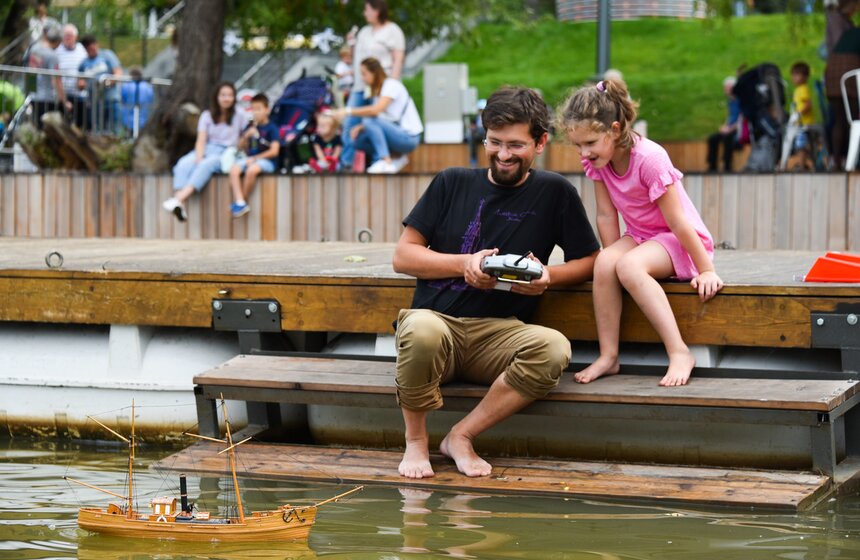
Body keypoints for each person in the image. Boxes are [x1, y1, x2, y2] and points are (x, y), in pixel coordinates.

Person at [392, 86, 599, 479]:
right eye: (495, 142)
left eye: (516, 145)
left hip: (501, 334)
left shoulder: (555, 192)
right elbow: (404, 256)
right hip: (438, 325)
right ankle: (416, 442)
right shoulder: (451, 181)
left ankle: (461, 436)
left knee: (554, 348)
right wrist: (465, 263)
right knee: (419, 328)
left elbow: (590, 261)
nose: (503, 154)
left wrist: (548, 276)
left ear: (540, 142)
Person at [560, 79, 723, 388]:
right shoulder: (600, 161)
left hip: (678, 241)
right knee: (607, 262)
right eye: (578, 145)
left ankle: (679, 351)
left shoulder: (650, 159)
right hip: (642, 236)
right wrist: (610, 262)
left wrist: (706, 269)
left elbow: (677, 221)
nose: (584, 152)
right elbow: (607, 214)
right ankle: (609, 356)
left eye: (590, 143)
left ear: (616, 129)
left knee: (628, 265)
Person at [162, 82, 244, 222]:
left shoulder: (240, 114)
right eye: (223, 95)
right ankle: (179, 204)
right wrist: (199, 157)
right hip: (207, 148)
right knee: (183, 164)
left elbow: (244, 138)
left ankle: (178, 199)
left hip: (226, 153)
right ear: (217, 97)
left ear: (234, 97)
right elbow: (201, 140)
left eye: (230, 95)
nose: (226, 98)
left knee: (207, 165)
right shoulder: (207, 115)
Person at [341, 0, 405, 170]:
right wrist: (352, 44)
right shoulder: (364, 32)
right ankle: (346, 163)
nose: (364, 13)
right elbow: (357, 59)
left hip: (379, 87)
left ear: (377, 11)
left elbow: (398, 59)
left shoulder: (393, 31)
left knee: (374, 122)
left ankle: (381, 161)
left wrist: (392, 84)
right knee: (350, 124)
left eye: (367, 9)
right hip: (360, 86)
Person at [332, 57, 422, 173]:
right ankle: (395, 158)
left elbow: (376, 111)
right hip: (395, 133)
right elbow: (383, 119)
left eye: (364, 74)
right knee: (356, 139)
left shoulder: (391, 85)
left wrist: (347, 111)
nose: (362, 78)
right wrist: (360, 127)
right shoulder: (377, 92)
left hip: (409, 138)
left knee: (368, 121)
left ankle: (386, 161)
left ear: (374, 73)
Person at [228, 93, 280, 218]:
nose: (255, 112)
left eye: (259, 109)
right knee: (234, 170)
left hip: (267, 161)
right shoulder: (250, 126)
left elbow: (275, 151)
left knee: (252, 170)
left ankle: (242, 202)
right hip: (250, 159)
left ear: (267, 109)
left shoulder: (272, 128)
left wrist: (255, 159)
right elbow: (240, 147)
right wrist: (247, 135)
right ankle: (240, 201)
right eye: (253, 109)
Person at [27, 23, 70, 128]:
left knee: (36, 127)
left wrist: (30, 93)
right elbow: (56, 80)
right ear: (58, 41)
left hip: (34, 96)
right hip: (47, 99)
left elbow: (31, 74)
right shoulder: (52, 55)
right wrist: (65, 101)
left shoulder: (34, 50)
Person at [77, 36, 118, 132]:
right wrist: (82, 84)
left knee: (114, 129)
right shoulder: (84, 63)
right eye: (89, 49)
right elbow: (80, 82)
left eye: (94, 47)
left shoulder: (108, 55)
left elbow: (118, 73)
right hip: (95, 102)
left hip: (110, 99)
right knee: (98, 130)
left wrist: (105, 84)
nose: (93, 50)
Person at [706, 76, 742, 172]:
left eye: (727, 87)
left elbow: (741, 119)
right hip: (730, 128)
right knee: (712, 139)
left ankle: (727, 166)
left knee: (727, 138)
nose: (725, 89)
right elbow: (730, 116)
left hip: (738, 129)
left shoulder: (740, 100)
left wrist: (730, 129)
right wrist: (725, 126)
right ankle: (712, 166)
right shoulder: (731, 101)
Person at [55, 24, 87, 129]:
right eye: (65, 35)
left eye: (70, 35)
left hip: (79, 94)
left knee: (79, 124)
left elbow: (86, 68)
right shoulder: (57, 51)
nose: (68, 38)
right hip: (63, 94)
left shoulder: (82, 50)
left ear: (75, 37)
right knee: (63, 124)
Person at [119, 66, 155, 135]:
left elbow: (123, 99)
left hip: (128, 120)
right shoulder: (148, 87)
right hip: (144, 120)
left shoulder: (126, 85)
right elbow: (151, 99)